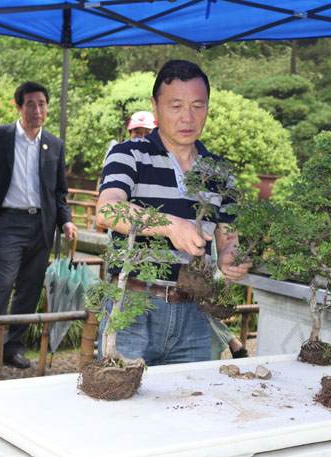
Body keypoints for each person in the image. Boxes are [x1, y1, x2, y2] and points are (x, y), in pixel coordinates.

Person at [96, 60, 251, 366]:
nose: (187, 117)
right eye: (175, 105)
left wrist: (233, 257)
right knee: (124, 410)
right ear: (155, 107)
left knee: (193, 405)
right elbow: (107, 210)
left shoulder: (220, 170)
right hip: (133, 310)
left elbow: (228, 236)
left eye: (197, 105)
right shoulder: (130, 154)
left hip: (196, 317)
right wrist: (169, 225)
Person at [0, 81, 77, 379]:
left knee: (29, 288)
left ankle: (13, 347)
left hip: (42, 225)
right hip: (9, 222)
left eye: (42, 103)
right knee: (3, 283)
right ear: (18, 106)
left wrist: (65, 220)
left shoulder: (54, 143)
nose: (37, 110)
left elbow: (58, 192)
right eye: (30, 103)